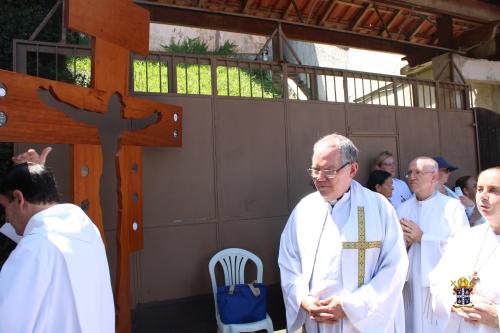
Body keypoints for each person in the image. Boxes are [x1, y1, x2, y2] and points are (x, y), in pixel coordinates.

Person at [278, 134, 408, 333]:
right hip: (318, 322)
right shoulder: (304, 209)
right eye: (315, 170)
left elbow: (395, 266)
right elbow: (289, 262)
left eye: (329, 171)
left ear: (353, 169)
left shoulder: (379, 208)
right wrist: (302, 298)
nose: (319, 178)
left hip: (365, 321)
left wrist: (352, 305)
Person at [0, 162, 115, 332]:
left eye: (4, 208)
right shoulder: (87, 230)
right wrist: (33, 175)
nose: (6, 217)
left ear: (18, 198)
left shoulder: (35, 248)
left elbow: (7, 319)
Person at [397, 157, 469, 333]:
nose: (411, 177)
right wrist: (403, 244)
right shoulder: (402, 209)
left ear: (434, 176)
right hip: (411, 287)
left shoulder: (452, 207)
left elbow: (464, 249)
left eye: (418, 172)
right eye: (410, 172)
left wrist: (423, 238)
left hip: (438, 289)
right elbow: (392, 252)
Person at [430, 166, 500, 333]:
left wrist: (496, 316)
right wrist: (461, 300)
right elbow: (441, 280)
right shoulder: (466, 238)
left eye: (493, 190)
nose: (483, 196)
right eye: (480, 189)